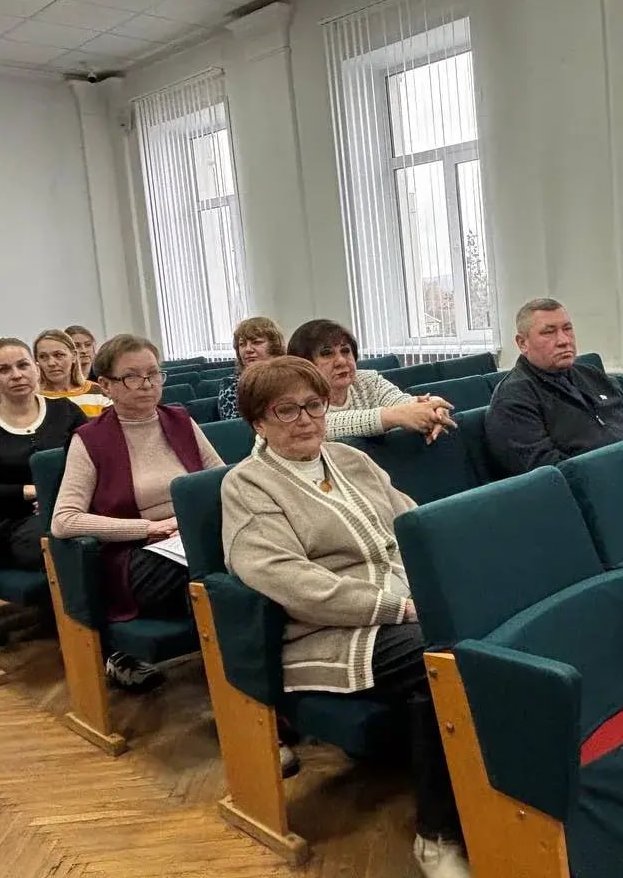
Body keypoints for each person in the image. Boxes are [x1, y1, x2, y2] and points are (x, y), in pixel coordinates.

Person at [222, 356, 468, 878]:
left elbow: (413, 521)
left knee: (472, 637)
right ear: (257, 421)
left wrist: (447, 581)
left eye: (313, 405)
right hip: (327, 631)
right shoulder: (247, 486)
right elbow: (291, 582)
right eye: (285, 410)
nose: (305, 419)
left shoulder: (349, 459)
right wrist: (397, 606)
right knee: (441, 655)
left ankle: (487, 791)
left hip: (406, 604)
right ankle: (438, 835)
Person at [51, 334, 225, 693]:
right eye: (132, 376)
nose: (147, 384)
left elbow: (221, 481)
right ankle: (238, 684)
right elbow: (64, 520)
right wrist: (149, 527)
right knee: (217, 575)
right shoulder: (90, 439)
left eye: (153, 374)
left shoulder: (180, 421)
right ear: (106, 386)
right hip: (136, 555)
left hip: (190, 537)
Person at [0, 338, 87, 573]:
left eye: (23, 365)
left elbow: (95, 460)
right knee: (69, 543)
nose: (16, 375)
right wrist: (31, 491)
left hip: (75, 507)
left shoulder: (66, 410)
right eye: (4, 370)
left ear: (36, 369)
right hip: (15, 525)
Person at [485, 298, 623, 476]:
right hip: (600, 483)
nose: (564, 340)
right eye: (549, 332)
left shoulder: (591, 374)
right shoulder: (513, 399)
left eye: (567, 329)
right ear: (522, 343)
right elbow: (550, 473)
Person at [287, 319, 454, 441]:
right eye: (327, 354)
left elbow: (402, 403)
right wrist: (394, 415)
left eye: (345, 351)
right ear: (305, 364)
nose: (341, 361)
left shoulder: (368, 380)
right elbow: (323, 425)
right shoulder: (296, 397)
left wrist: (433, 408)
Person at [217, 317, 287, 421]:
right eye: (242, 344)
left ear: (274, 346)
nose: (248, 349)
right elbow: (237, 426)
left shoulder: (291, 378)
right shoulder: (232, 385)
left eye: (256, 342)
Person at [34, 329, 112, 418]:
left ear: (74, 356)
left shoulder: (97, 391)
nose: (51, 363)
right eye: (43, 356)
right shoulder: (33, 399)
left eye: (58, 355)